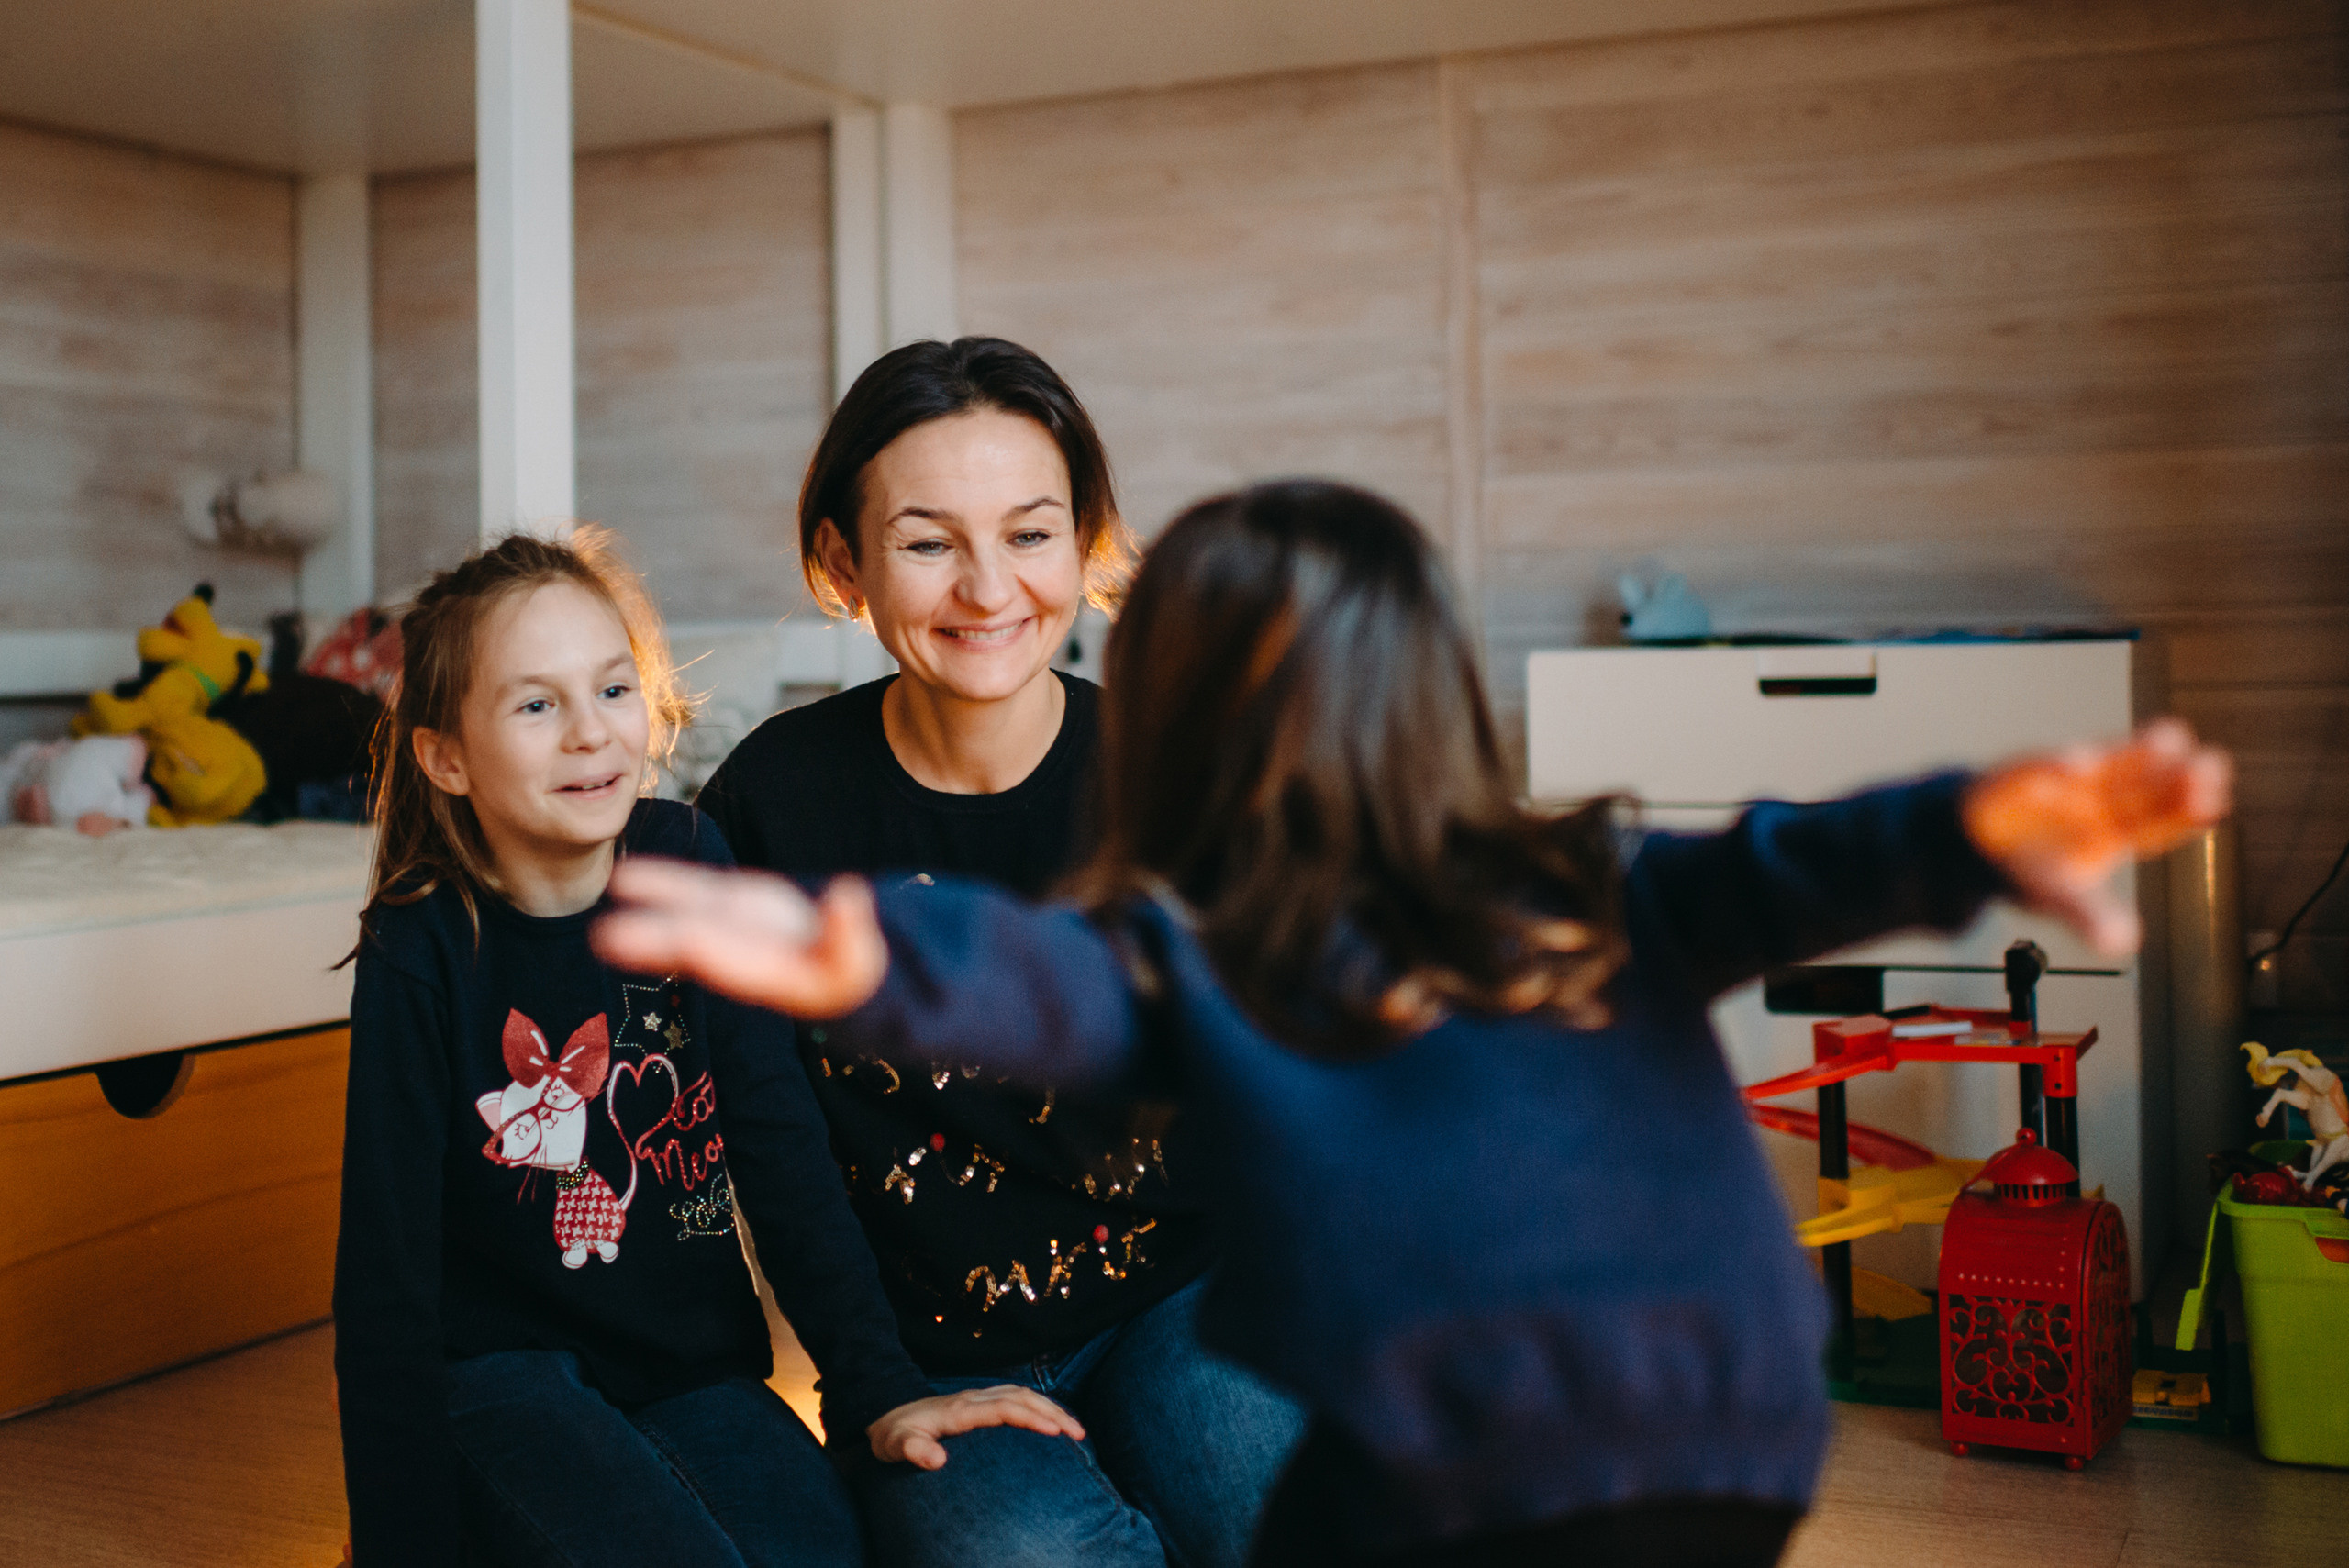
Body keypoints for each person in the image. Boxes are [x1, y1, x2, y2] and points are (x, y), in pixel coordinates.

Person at [597, 481, 2233, 1567]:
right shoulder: (1333, 923)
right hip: (1649, 1422)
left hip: (1614, 1418)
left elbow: (1795, 860)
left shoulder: (1510, 899)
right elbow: (1055, 976)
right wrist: (862, 947)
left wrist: (1978, 823)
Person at [331, 530, 1074, 1568]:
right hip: (500, 1375)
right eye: (536, 704)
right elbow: (385, 1274)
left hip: (688, 1367)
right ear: (445, 755)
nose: (591, 733)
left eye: (612, 688)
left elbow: (779, 1143)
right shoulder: (421, 945)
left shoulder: (688, 858)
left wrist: (879, 1387)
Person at [694, 338, 1305, 1568]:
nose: (987, 588)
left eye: (1030, 534)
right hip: (935, 1359)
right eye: (927, 542)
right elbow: (775, 1142)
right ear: (842, 563)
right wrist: (870, 1387)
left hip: (1185, 1300)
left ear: (1085, 543)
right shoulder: (773, 805)